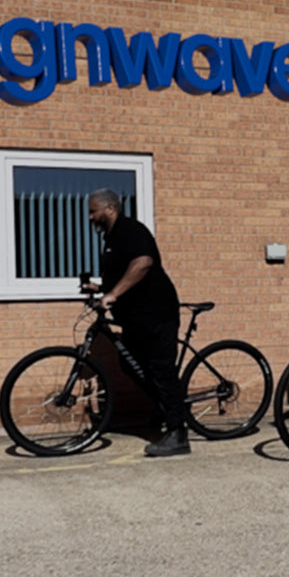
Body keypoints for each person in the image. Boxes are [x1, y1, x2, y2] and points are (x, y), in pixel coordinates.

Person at [84, 189, 187, 457]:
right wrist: (99, 287)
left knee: (161, 370)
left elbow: (143, 263)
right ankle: (168, 408)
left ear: (109, 209)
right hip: (135, 318)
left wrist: (113, 295)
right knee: (130, 365)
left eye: (93, 211)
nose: (90, 217)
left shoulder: (131, 230)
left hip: (156, 313)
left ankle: (178, 435)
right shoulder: (112, 238)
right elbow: (122, 274)